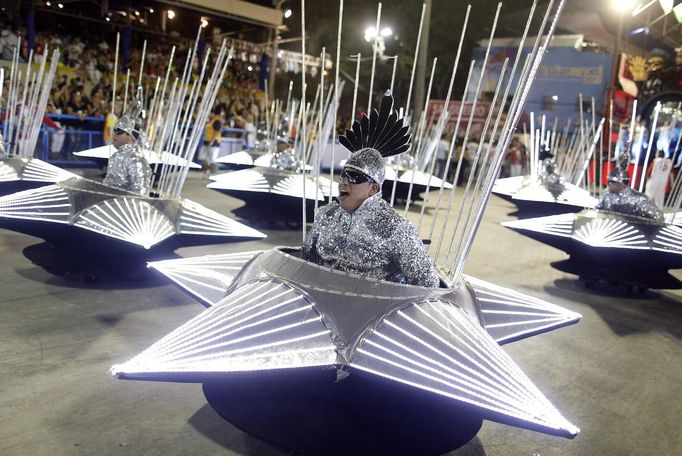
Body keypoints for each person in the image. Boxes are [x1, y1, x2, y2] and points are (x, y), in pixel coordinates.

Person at [303, 91, 440, 288]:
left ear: (373, 188)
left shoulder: (396, 229)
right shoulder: (326, 215)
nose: (345, 182)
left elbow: (428, 285)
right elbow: (305, 262)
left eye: (355, 177)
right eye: (343, 175)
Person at [103, 88, 151, 195]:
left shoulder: (136, 159)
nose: (114, 134)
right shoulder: (116, 156)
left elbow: (140, 193)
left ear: (130, 137)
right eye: (114, 130)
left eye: (119, 131)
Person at [596, 155, 663, 222]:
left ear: (622, 183)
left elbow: (657, 217)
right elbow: (597, 212)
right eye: (608, 181)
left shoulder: (639, 199)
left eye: (612, 182)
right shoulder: (606, 196)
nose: (609, 184)